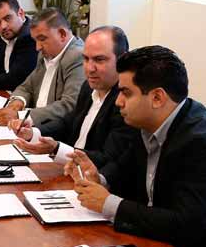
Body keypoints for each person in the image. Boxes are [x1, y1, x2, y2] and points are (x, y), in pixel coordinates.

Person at [66, 45, 206, 247]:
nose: (118, 102)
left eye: (126, 93)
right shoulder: (148, 122)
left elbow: (185, 224)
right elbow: (124, 170)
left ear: (157, 97)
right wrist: (100, 180)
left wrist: (108, 203)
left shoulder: (205, 144)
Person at [9, 26, 136, 168]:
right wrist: (33, 133)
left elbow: (108, 159)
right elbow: (68, 123)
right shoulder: (88, 87)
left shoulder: (125, 102)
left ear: (122, 59)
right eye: (86, 59)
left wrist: (56, 149)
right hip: (68, 169)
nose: (90, 68)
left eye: (99, 60)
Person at [0, 7, 85, 126]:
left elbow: (70, 104)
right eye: (35, 40)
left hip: (55, 132)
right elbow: (26, 87)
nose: (38, 47)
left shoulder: (78, 56)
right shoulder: (45, 54)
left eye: (42, 39)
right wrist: (16, 103)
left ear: (62, 34)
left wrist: (21, 116)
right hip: (32, 127)